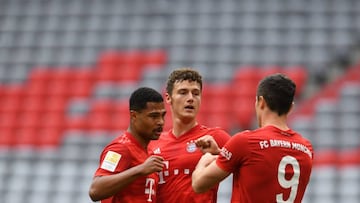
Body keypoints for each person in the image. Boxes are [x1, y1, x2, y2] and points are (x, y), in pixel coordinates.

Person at [192, 73, 314, 203]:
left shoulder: (245, 142)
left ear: (261, 102)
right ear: (291, 108)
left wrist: (206, 159)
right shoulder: (306, 149)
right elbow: (268, 164)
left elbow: (199, 184)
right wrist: (221, 153)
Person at [148, 68, 231, 202]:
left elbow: (249, 166)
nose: (191, 98)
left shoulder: (215, 137)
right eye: (183, 92)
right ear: (168, 98)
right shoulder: (152, 144)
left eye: (196, 93)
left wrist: (220, 154)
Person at [89, 87, 166, 203]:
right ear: (134, 116)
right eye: (153, 116)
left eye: (162, 115)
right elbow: (96, 190)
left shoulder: (150, 153)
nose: (161, 122)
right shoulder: (120, 148)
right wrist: (140, 170)